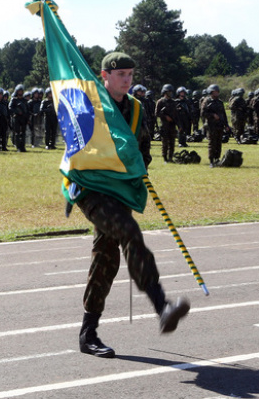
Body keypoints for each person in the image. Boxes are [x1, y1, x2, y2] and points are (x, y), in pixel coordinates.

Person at [74, 52, 190, 359]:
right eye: (121, 74)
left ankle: (88, 334)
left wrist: (139, 168)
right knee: (129, 232)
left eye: (130, 74)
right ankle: (162, 305)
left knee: (106, 258)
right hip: (91, 189)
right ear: (105, 76)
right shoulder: (90, 105)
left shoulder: (137, 107)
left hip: (120, 192)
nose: (127, 80)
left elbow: (143, 148)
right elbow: (77, 143)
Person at [201, 84, 227, 166]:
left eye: (217, 92)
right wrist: (212, 115)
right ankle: (211, 160)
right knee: (212, 143)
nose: (216, 93)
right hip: (211, 125)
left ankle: (217, 158)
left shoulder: (220, 102)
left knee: (219, 143)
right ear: (211, 92)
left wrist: (226, 125)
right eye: (215, 92)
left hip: (220, 125)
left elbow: (224, 114)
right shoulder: (207, 101)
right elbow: (203, 113)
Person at [155, 84, 177, 163]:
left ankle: (170, 157)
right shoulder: (160, 102)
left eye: (171, 92)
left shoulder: (173, 102)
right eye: (168, 92)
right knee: (165, 143)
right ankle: (165, 158)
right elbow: (157, 113)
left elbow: (176, 114)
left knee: (172, 142)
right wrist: (165, 117)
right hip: (164, 125)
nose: (170, 93)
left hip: (172, 125)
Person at [9, 85, 28, 152]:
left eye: (21, 91)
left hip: (23, 118)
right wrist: (17, 111)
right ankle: (18, 147)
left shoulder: (24, 100)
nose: (20, 92)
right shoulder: (14, 99)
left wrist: (27, 118)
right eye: (19, 91)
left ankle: (23, 147)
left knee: (23, 133)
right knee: (17, 133)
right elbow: (10, 107)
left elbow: (27, 109)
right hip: (17, 118)